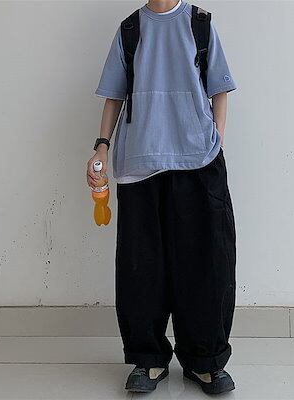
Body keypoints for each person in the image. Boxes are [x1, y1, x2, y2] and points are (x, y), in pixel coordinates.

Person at [87, 0, 237, 395]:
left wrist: (216, 141)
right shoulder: (130, 29)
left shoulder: (200, 24)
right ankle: (148, 359)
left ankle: (205, 361)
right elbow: (114, 96)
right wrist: (101, 146)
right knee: (142, 268)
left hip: (198, 162)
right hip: (140, 162)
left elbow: (219, 88)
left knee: (207, 264)